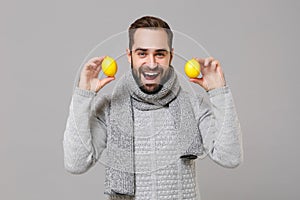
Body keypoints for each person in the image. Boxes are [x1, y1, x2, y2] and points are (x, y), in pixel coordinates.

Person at [63, 15, 243, 200]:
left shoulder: (194, 105)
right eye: (142, 53)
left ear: (171, 56)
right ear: (129, 56)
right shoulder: (109, 107)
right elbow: (75, 164)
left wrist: (219, 93)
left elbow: (229, 158)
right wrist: (83, 95)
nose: (151, 63)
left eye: (159, 54)